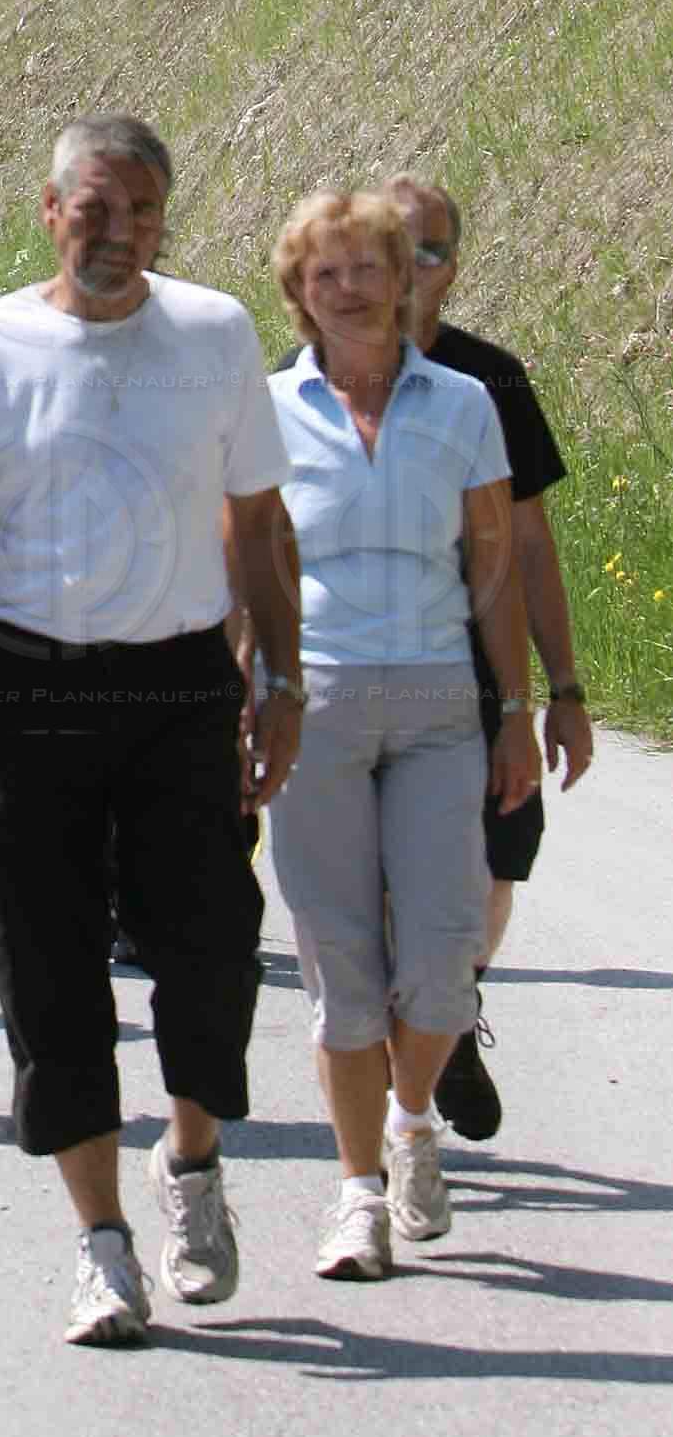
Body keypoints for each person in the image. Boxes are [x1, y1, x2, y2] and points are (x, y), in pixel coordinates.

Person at [0, 116, 301, 1349]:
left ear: (163, 220)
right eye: (92, 209)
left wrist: (280, 682)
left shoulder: (213, 333)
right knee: (49, 964)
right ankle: (101, 1246)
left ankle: (190, 1162)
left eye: (139, 211)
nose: (116, 232)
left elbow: (255, 522)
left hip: (181, 683)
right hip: (32, 687)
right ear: (49, 210)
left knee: (211, 948)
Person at [265, 188, 540, 1286]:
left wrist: (518, 711)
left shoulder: (463, 403)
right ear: (298, 290)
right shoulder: (267, 408)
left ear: (404, 279)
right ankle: (357, 1195)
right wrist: (247, 699)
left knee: (440, 960)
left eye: (368, 268)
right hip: (315, 707)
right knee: (339, 963)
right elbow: (249, 568)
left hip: (436, 706)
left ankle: (412, 1116)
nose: (348, 289)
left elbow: (493, 568)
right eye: (324, 272)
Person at [389, 176, 592, 1141]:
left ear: (453, 269)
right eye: (391, 246)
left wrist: (565, 690)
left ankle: (452, 1003)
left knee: (497, 863)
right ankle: (405, 1088)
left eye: (429, 250)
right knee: (384, 882)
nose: (409, 268)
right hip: (363, 676)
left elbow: (534, 544)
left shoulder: (492, 382)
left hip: (483, 673)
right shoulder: (303, 379)